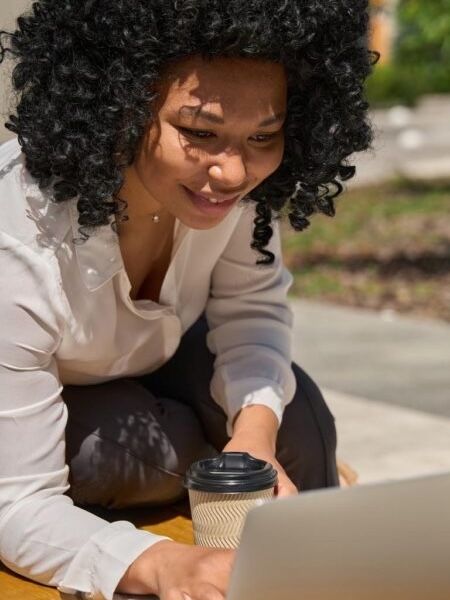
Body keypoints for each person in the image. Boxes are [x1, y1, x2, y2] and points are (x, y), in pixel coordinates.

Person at [0, 1, 374, 598]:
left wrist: (252, 436)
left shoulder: (230, 192)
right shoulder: (17, 244)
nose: (231, 171)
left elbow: (253, 314)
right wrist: (163, 565)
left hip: (158, 355)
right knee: (112, 456)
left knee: (298, 428)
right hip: (52, 384)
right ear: (116, 106)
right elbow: (15, 505)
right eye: (199, 133)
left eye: (264, 135)